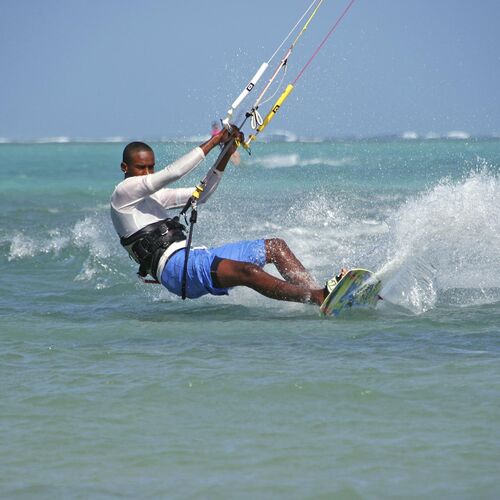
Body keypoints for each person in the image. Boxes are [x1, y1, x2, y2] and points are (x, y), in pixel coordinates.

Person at [110, 126, 345, 307]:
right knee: (248, 273)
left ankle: (322, 295)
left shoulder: (154, 197)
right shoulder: (123, 194)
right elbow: (173, 173)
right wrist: (215, 140)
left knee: (275, 247)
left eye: (150, 167)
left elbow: (201, 195)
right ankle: (318, 296)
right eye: (141, 168)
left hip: (193, 256)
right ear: (124, 167)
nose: (147, 173)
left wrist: (226, 152)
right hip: (175, 269)